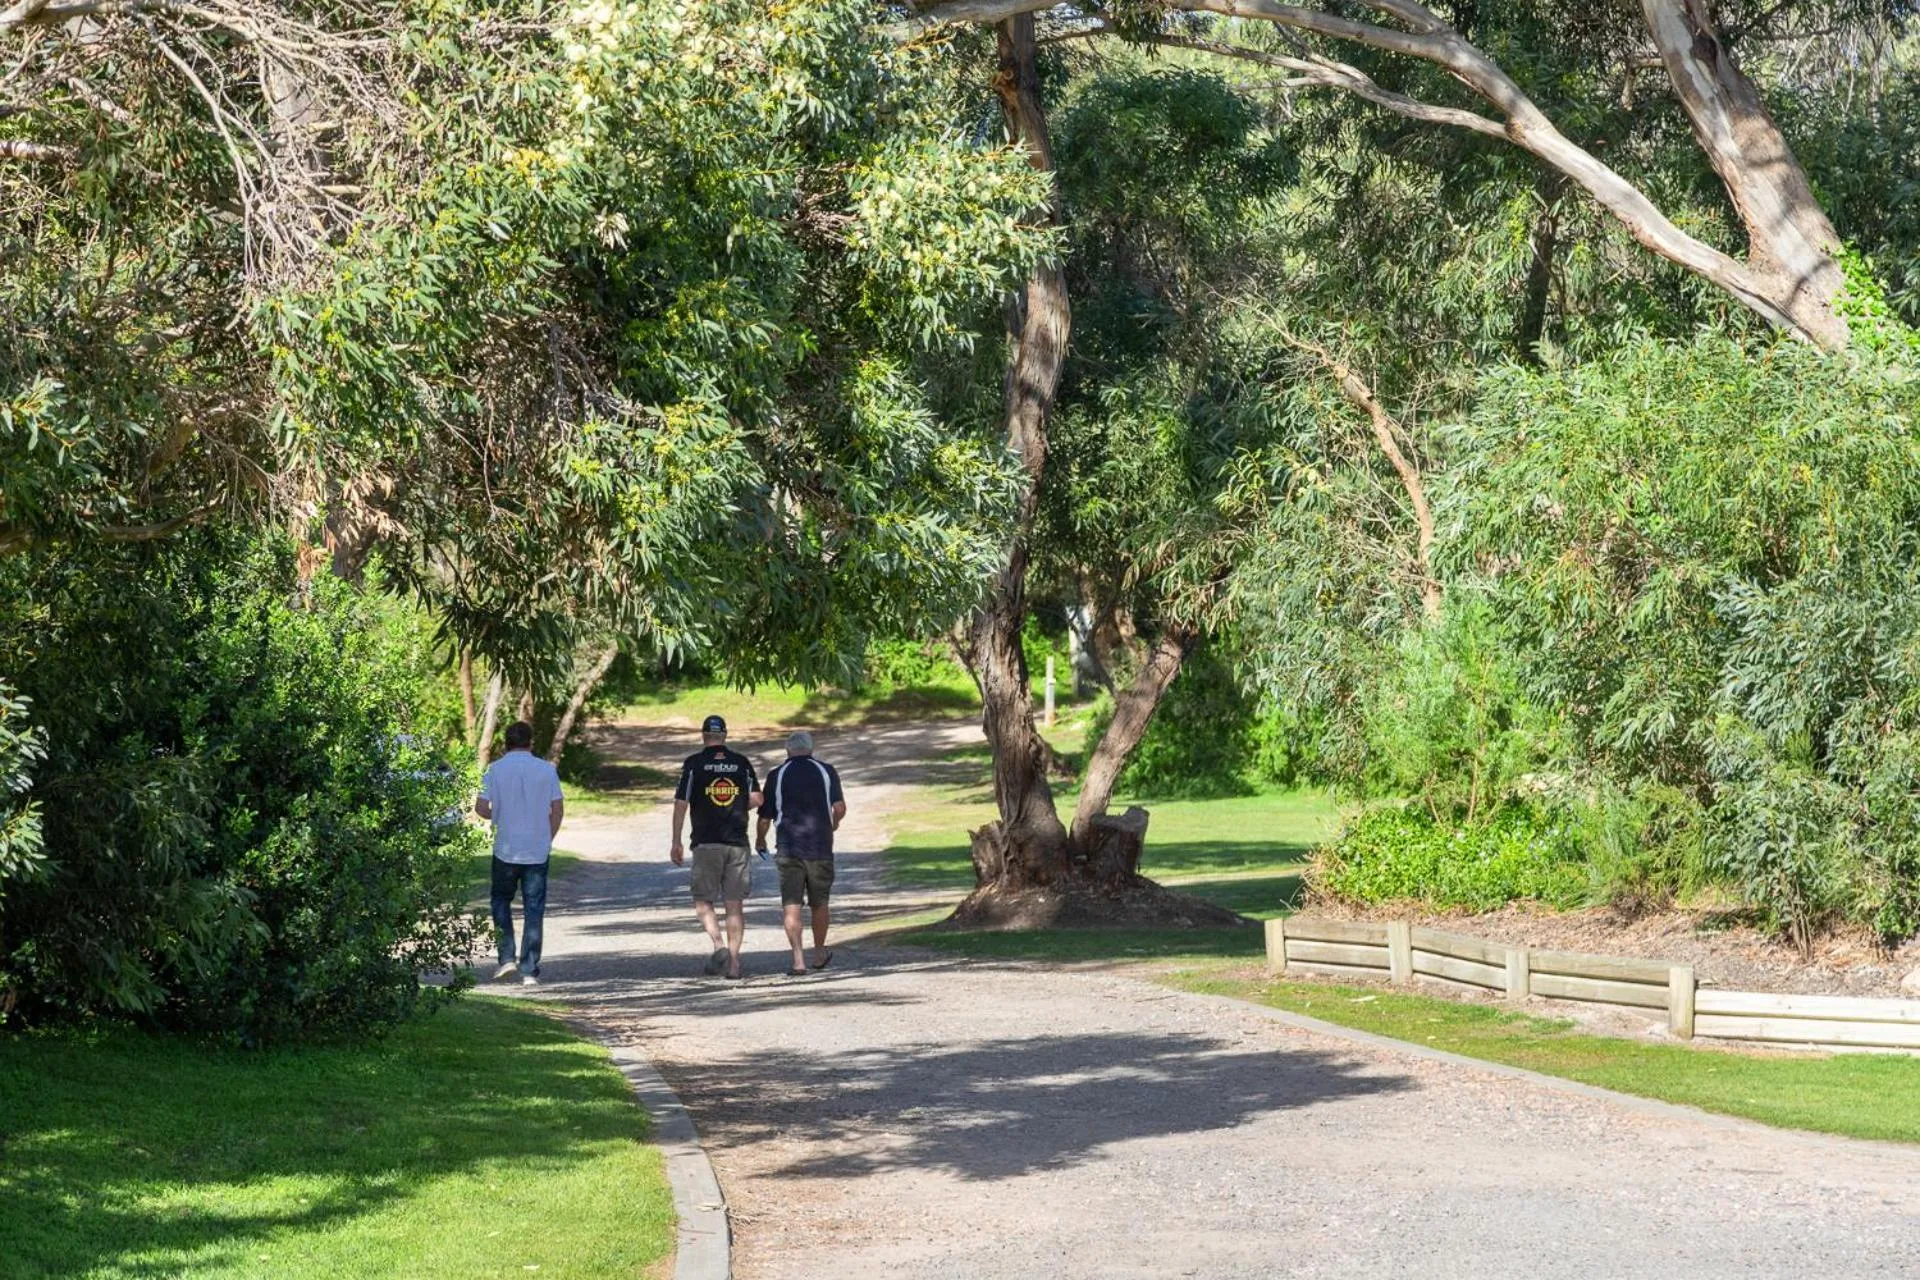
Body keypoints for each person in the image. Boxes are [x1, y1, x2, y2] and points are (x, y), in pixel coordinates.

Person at [670, 714, 761, 980]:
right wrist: (735, 804)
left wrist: (676, 840)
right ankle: (734, 965)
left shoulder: (694, 764)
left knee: (702, 899)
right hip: (737, 841)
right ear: (725, 735)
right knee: (734, 905)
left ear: (703, 735)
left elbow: (681, 804)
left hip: (705, 841)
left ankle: (719, 945)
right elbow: (757, 797)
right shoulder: (741, 763)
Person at [475, 720, 564, 985]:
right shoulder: (546, 770)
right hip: (536, 849)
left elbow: (480, 807)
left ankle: (506, 959)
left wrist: (499, 814)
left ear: (506, 743)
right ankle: (529, 969)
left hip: (506, 847)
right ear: (531, 742)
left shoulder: (494, 770)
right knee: (533, 908)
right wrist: (547, 837)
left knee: (500, 900)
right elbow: (557, 809)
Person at [756, 730, 846, 976]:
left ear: (787, 750)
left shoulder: (777, 775)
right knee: (820, 903)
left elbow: (765, 817)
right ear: (811, 749)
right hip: (820, 846)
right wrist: (834, 824)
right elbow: (839, 807)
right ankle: (819, 951)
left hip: (789, 848)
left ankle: (798, 960)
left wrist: (760, 839)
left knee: (791, 904)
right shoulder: (827, 771)